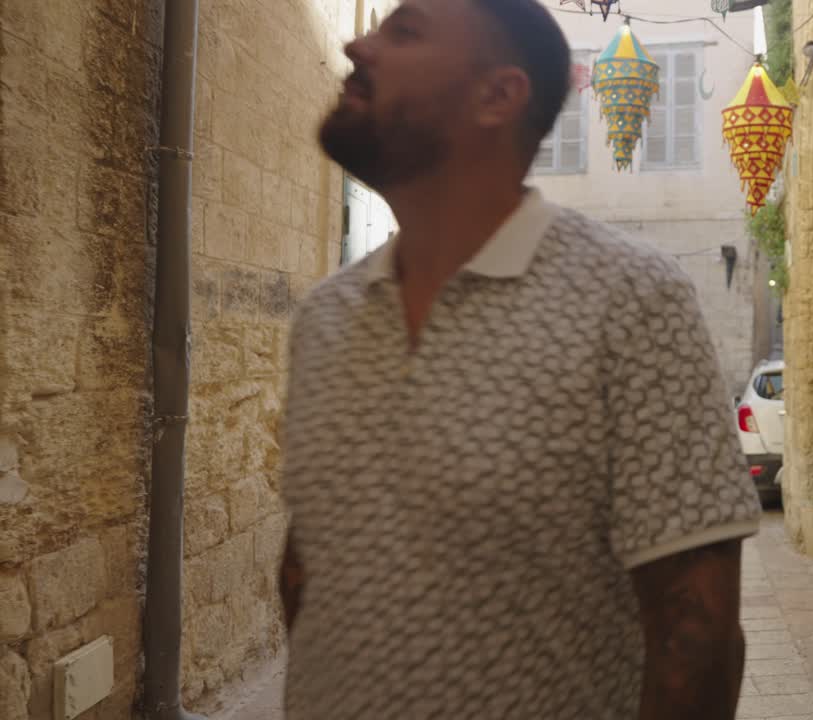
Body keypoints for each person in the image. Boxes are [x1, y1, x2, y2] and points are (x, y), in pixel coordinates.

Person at [276, 0, 763, 718]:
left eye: (403, 31)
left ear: (497, 96)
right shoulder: (324, 318)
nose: (357, 46)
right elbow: (308, 568)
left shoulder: (629, 301)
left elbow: (696, 633)